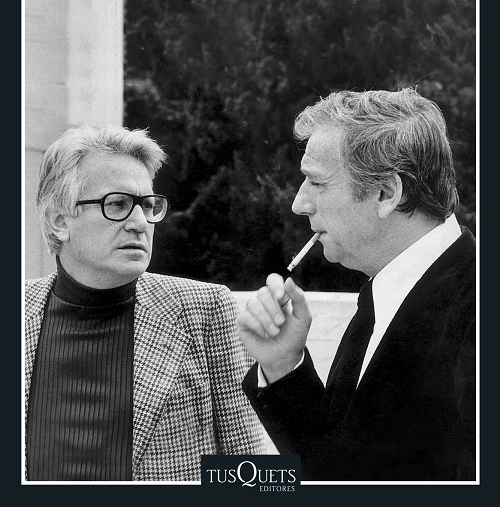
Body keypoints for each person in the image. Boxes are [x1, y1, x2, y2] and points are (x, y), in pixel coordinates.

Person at [237, 88, 475, 481]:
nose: (299, 204)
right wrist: (282, 365)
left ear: (386, 193)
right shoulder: (383, 295)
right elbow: (343, 471)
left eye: (316, 182)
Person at [25, 124, 265, 481]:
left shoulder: (205, 310)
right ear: (59, 221)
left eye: (148, 205)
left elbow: (252, 474)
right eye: (117, 204)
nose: (140, 222)